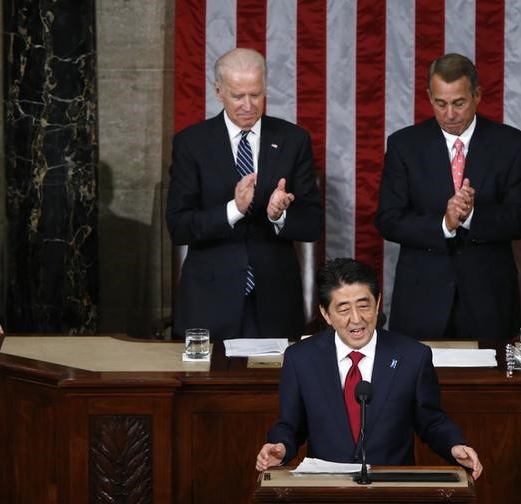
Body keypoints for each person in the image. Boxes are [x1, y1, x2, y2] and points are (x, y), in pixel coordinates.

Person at [255, 258, 483, 480]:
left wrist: (454, 446)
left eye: (364, 306)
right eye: (343, 309)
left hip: (391, 489)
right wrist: (280, 446)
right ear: (326, 314)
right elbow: (291, 425)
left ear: (377, 303)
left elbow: (431, 420)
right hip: (327, 489)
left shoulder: (412, 356)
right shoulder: (300, 358)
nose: (356, 319)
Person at [376, 53, 521, 341]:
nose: (449, 114)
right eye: (440, 103)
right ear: (429, 96)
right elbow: (389, 220)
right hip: (421, 301)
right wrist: (444, 224)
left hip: (488, 301)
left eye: (459, 103)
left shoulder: (511, 145)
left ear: (476, 95)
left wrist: (472, 215)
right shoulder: (404, 145)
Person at [166, 48, 322, 341]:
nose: (249, 105)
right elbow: (178, 227)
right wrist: (234, 209)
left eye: (256, 94)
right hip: (209, 301)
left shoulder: (293, 139)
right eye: (238, 96)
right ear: (218, 92)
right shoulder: (191, 143)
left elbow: (312, 224)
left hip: (275, 300)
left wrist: (280, 215)